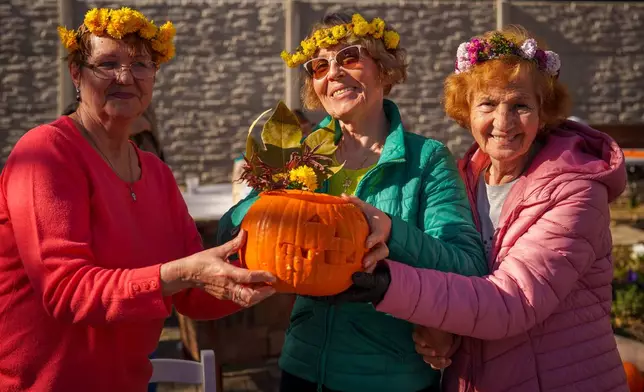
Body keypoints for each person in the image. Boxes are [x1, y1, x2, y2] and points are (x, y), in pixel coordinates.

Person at [333, 26, 629, 391]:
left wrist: (385, 285)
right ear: (466, 112)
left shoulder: (576, 192)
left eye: (520, 105)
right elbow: (455, 278)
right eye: (487, 104)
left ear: (543, 111)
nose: (502, 123)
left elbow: (512, 301)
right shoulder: (460, 179)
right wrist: (442, 332)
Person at [0, 7, 276, 391]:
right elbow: (67, 291)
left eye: (142, 64)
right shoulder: (47, 153)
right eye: (107, 63)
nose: (126, 77)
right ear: (76, 73)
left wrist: (275, 269)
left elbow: (193, 296)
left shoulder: (157, 173)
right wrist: (183, 273)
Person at [217, 12, 487, 392]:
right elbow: (229, 233)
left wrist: (393, 233)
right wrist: (263, 195)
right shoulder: (299, 157)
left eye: (350, 58)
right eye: (319, 66)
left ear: (384, 69)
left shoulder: (427, 159)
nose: (334, 73)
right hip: (302, 368)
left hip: (390, 376)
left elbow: (468, 267)